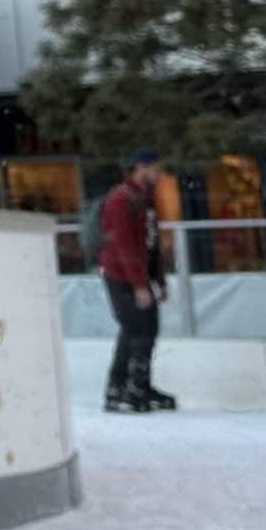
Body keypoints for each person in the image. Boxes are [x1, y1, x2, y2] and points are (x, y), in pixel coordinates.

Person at [99, 149, 175, 412]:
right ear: (140, 167)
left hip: (138, 276)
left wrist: (159, 280)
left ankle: (137, 385)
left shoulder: (145, 199)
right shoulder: (121, 199)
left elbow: (150, 243)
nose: (159, 173)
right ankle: (121, 389)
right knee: (137, 330)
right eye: (155, 168)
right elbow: (123, 245)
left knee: (145, 329)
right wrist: (140, 285)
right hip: (120, 276)